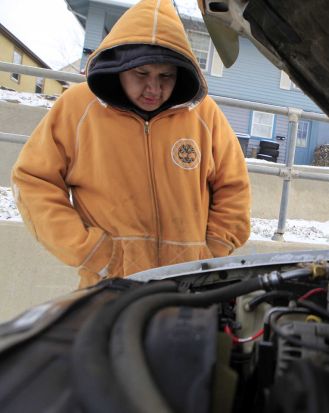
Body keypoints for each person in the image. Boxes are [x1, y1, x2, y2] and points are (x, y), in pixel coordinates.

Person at [11, 0, 251, 288]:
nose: (154, 88)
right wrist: (90, 251)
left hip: (187, 286)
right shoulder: (77, 108)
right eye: (141, 74)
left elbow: (233, 186)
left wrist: (213, 250)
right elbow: (33, 180)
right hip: (110, 285)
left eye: (166, 76)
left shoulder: (204, 114)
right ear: (119, 67)